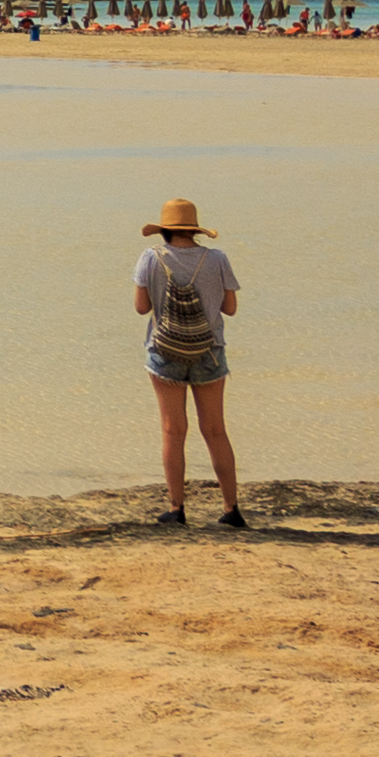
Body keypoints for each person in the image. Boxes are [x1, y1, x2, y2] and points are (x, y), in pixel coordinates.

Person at [133, 197, 241, 529]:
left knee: (173, 430)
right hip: (209, 351)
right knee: (216, 430)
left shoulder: (150, 258)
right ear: (195, 230)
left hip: (165, 352)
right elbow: (230, 308)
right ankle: (231, 509)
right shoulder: (216, 259)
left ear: (164, 230)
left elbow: (141, 308)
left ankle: (177, 509)